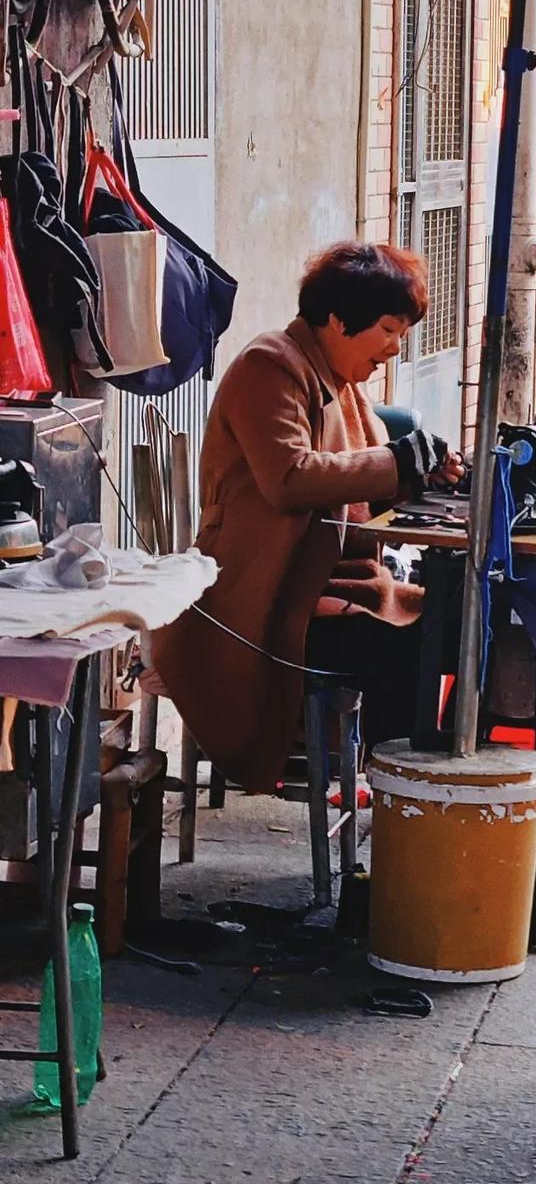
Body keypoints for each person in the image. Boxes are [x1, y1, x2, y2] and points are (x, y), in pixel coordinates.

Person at [150, 242, 462, 794]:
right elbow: (290, 477)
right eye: (388, 330)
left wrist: (423, 476)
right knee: (415, 646)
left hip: (326, 585)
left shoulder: (344, 387)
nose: (393, 348)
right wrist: (398, 462)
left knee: (462, 627)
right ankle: (401, 800)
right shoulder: (268, 367)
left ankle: (416, 793)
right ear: (339, 320)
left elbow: (364, 489)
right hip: (258, 599)